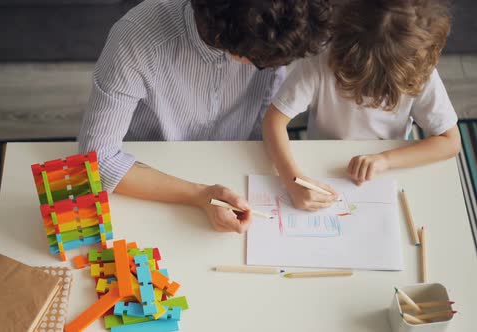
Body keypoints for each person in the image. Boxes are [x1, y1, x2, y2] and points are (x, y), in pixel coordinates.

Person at [79, 0, 332, 231]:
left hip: (236, 168)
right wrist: (199, 196)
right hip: (148, 175)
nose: (274, 66)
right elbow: (97, 162)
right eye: (261, 62)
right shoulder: (137, 38)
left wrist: (291, 176)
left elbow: (264, 118)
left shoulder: (273, 35)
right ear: (226, 38)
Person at [263, 0, 461, 212]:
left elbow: (450, 142)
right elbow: (273, 121)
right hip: (323, 159)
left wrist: (385, 160)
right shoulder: (321, 60)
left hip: (391, 166)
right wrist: (293, 182)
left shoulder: (419, 72)